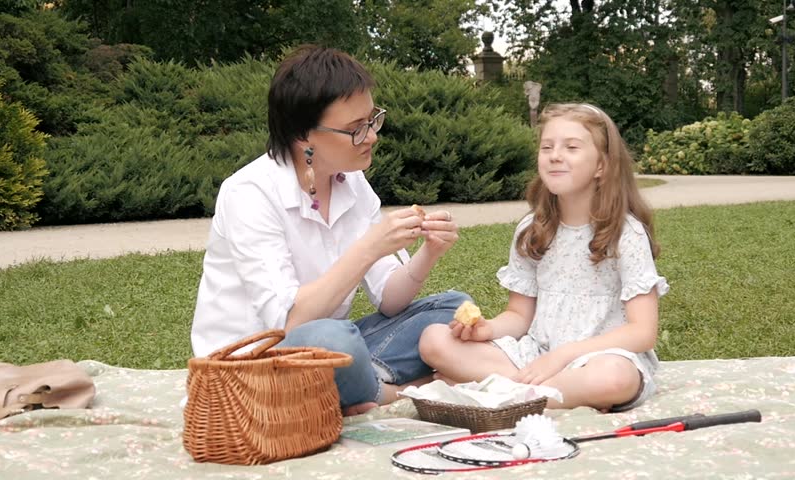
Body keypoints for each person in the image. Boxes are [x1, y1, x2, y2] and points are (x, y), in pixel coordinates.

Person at [190, 45, 469, 416]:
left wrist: (428, 252)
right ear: (304, 135)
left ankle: (355, 387)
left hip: (329, 354)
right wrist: (369, 248)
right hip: (257, 364)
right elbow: (288, 322)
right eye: (356, 129)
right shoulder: (250, 193)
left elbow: (389, 298)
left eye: (373, 120)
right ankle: (395, 392)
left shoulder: (352, 185)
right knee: (331, 337)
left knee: (450, 306)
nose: (371, 136)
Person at [419, 103, 668, 412]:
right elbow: (519, 316)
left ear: (602, 166)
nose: (555, 155)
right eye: (547, 146)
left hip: (602, 356)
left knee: (615, 379)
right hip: (537, 355)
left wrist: (564, 356)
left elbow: (642, 332)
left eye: (572, 147)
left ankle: (502, 392)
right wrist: (488, 330)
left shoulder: (625, 233)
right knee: (434, 340)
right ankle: (537, 393)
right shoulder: (532, 229)